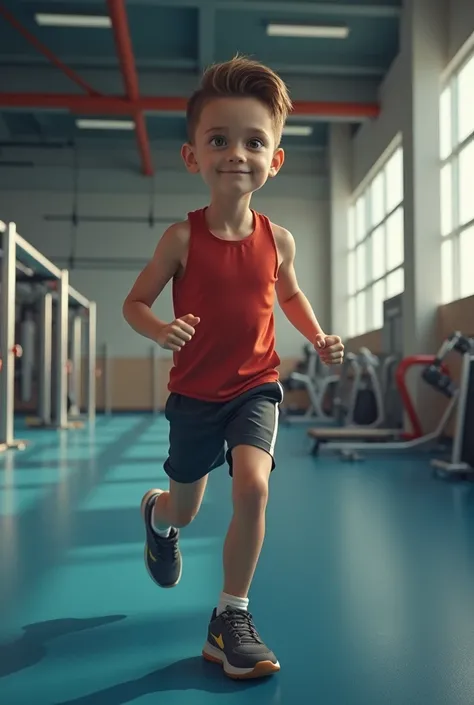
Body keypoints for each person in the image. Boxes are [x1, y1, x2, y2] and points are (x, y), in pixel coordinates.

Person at [122, 55, 344, 680]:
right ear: (193, 155)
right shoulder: (180, 240)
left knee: (253, 487)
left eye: (254, 141)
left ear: (274, 160)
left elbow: (290, 295)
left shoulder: (280, 240)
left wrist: (318, 334)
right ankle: (157, 517)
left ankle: (230, 618)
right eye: (219, 140)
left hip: (256, 386)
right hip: (194, 395)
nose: (236, 154)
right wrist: (160, 327)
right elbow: (133, 301)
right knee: (186, 509)